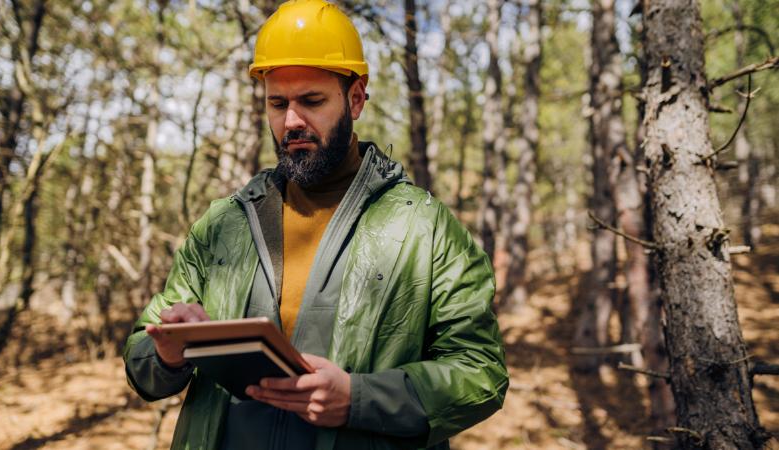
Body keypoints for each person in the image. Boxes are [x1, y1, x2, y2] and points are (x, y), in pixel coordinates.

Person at [122, 1, 508, 449]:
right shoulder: (223, 224)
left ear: (357, 98)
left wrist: (360, 398)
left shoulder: (427, 229)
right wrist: (168, 356)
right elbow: (142, 357)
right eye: (277, 103)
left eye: (311, 101)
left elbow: (480, 371)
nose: (291, 121)